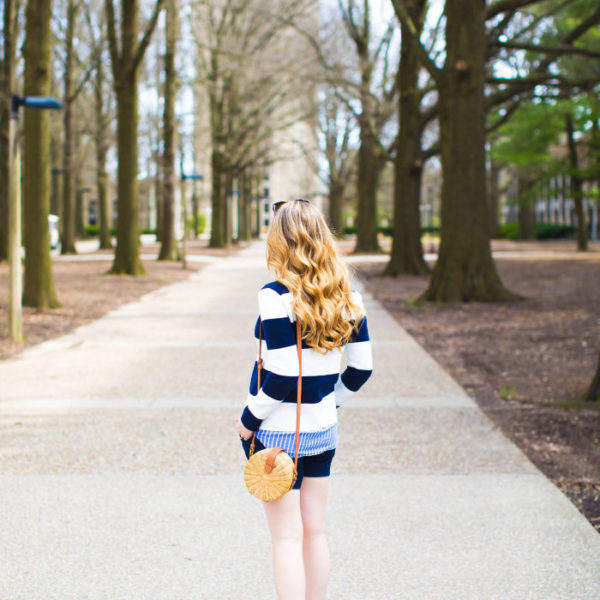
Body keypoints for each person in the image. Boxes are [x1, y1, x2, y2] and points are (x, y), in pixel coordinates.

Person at [235, 198, 373, 600]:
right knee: (315, 530)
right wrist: (330, 402)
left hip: (276, 432)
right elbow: (361, 370)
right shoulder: (348, 295)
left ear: (280, 240)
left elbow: (282, 372)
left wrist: (248, 419)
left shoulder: (275, 294)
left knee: (286, 539)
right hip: (322, 431)